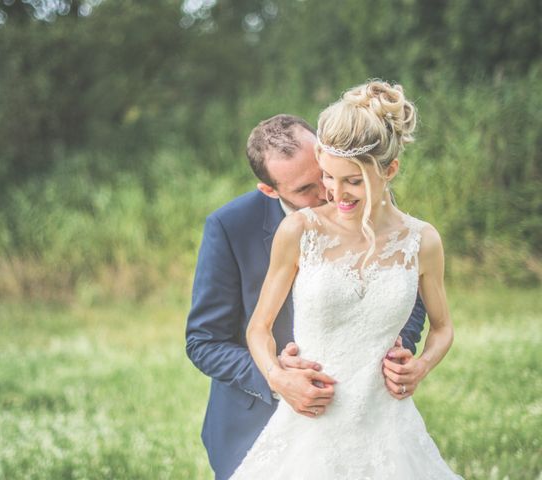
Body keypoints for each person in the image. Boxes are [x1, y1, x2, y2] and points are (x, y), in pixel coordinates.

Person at [230, 81, 461, 478]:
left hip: (387, 429)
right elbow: (258, 329)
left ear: (390, 170)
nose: (336, 193)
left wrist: (420, 367)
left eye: (353, 180)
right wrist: (279, 377)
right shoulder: (299, 232)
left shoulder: (422, 241)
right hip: (311, 426)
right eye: (328, 177)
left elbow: (442, 329)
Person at [186, 113, 427, 479]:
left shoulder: (359, 197)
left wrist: (394, 353)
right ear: (270, 190)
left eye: (325, 174)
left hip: (363, 410)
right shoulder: (229, 227)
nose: (329, 193)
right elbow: (203, 341)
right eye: (305, 189)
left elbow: (406, 288)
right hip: (255, 420)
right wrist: (278, 378)